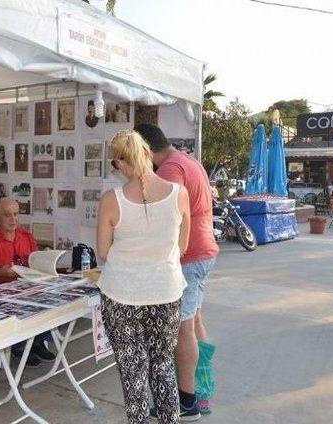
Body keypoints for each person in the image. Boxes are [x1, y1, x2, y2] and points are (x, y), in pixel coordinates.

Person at [97, 130, 191, 424]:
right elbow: (183, 247)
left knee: (132, 371)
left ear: (123, 163)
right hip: (166, 291)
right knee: (163, 364)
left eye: (115, 164)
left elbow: (102, 251)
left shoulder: (112, 200)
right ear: (149, 155)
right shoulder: (179, 194)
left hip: (121, 294)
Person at [135, 123, 219, 418]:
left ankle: (186, 401)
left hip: (189, 257)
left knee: (183, 329)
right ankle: (202, 389)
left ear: (144, 149)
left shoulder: (169, 170)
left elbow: (164, 226)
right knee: (194, 320)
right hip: (204, 251)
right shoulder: (187, 160)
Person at [0, 197, 55, 367]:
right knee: (21, 304)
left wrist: (44, 259)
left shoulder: (26, 236)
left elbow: (34, 264)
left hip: (25, 288)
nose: (13, 219)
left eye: (16, 214)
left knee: (46, 297)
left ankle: (38, 341)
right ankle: (21, 346)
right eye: (7, 215)